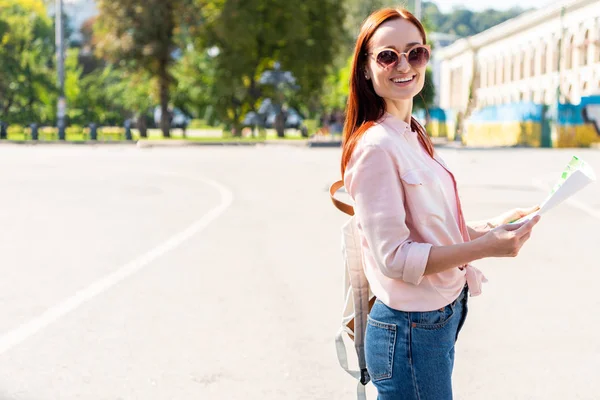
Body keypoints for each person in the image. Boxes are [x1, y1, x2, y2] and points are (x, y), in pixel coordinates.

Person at [340, 8, 541, 400]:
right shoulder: (375, 147)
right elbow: (395, 258)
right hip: (410, 329)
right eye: (387, 55)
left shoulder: (412, 134)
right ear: (366, 69)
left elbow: (430, 227)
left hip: (434, 321)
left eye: (415, 53)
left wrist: (492, 227)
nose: (404, 65)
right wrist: (485, 249)